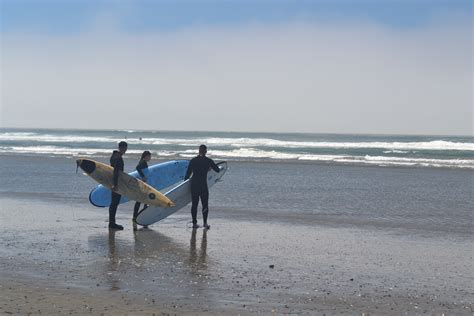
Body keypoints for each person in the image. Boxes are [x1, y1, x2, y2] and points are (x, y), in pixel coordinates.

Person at [184, 144, 220, 229]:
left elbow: (187, 175)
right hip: (203, 186)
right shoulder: (208, 161)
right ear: (206, 151)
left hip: (194, 185)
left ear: (199, 151)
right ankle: (205, 223)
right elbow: (218, 170)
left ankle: (194, 223)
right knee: (205, 205)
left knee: (194, 205)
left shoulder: (193, 160)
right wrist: (209, 168)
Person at [109, 141, 128, 230]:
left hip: (114, 182)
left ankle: (112, 222)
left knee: (114, 203)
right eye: (125, 148)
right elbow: (116, 172)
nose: (125, 150)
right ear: (121, 148)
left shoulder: (113, 156)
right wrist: (115, 185)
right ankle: (112, 223)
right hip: (116, 183)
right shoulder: (118, 158)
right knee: (114, 203)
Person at [133, 151, 151, 228]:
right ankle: (140, 217)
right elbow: (137, 168)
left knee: (142, 201)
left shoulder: (143, 161)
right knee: (142, 200)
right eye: (149, 156)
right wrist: (143, 176)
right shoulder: (143, 162)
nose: (150, 158)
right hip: (143, 184)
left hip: (143, 184)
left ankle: (137, 216)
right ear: (146, 156)